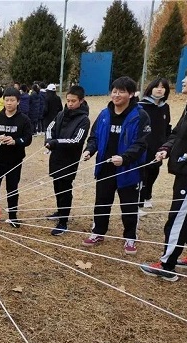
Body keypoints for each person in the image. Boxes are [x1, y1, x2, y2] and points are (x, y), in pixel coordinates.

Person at [82, 76, 150, 254]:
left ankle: (130, 237)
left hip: (128, 169)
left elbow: (141, 143)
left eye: (121, 91)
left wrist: (125, 157)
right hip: (105, 167)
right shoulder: (105, 114)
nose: (116, 95)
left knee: (128, 205)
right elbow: (95, 136)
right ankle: (98, 232)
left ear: (131, 94)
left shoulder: (139, 116)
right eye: (114, 91)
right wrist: (90, 150)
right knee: (102, 202)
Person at [140, 66, 187, 281]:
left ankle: (166, 264)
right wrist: (166, 148)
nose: (183, 80)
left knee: (178, 217)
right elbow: (176, 133)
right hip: (183, 169)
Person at [45, 85, 90, 235]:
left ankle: (63, 222)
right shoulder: (61, 114)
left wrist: (56, 142)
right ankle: (59, 212)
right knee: (57, 185)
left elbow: (76, 140)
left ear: (81, 101)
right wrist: (49, 140)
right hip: (56, 157)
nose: (70, 104)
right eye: (68, 100)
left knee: (65, 188)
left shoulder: (84, 120)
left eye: (73, 101)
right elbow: (50, 128)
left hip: (69, 160)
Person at [0, 87, 33, 228]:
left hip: (14, 161)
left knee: (12, 189)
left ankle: (13, 216)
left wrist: (16, 141)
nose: (9, 103)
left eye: (12, 100)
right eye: (6, 100)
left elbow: (28, 139)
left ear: (18, 102)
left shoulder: (24, 119)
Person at [138, 78, 171, 212]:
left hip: (159, 146)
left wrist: (166, 142)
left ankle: (147, 196)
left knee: (154, 171)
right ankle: (139, 201)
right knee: (143, 173)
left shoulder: (165, 107)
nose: (159, 89)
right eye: (156, 86)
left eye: (163, 87)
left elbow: (167, 126)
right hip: (145, 145)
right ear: (150, 88)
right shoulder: (142, 105)